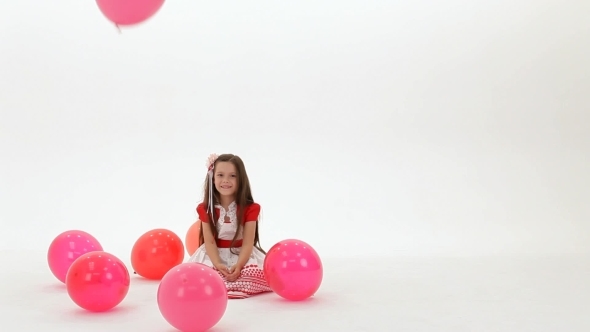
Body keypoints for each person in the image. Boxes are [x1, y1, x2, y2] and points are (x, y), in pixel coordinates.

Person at [187, 153, 273, 299]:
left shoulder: (250, 208)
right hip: (213, 253)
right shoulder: (206, 208)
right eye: (220, 175)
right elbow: (210, 241)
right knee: (197, 278)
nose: (226, 180)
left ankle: (231, 285)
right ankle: (218, 286)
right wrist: (218, 264)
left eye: (232, 176)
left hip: (241, 254)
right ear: (212, 178)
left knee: (250, 276)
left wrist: (239, 266)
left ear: (241, 179)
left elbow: (247, 243)